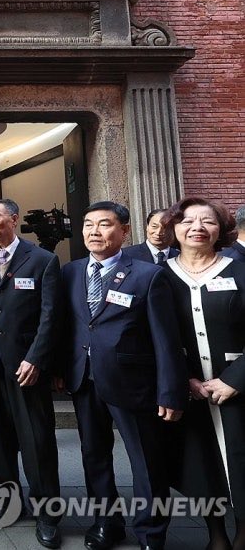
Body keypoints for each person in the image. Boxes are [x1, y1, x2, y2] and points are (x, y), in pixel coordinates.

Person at [59, 201, 187, 550]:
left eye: (104, 224)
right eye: (88, 224)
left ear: (124, 231)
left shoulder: (148, 275)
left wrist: (170, 391)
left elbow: (166, 340)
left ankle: (151, 533)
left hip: (133, 382)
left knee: (146, 460)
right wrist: (60, 369)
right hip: (84, 379)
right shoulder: (70, 272)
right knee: (94, 455)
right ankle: (107, 522)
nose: (94, 232)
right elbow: (68, 326)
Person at [0, 198, 62, 549]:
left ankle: (48, 512)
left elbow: (51, 317)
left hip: (26, 368)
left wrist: (36, 358)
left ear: (14, 219)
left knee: (37, 441)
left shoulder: (42, 260)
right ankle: (7, 499)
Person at [163, 198, 245, 550]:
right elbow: (153, 337)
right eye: (187, 221)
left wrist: (234, 380)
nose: (197, 227)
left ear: (220, 229)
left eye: (207, 221)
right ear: (174, 228)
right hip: (190, 390)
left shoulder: (239, 271)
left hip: (237, 389)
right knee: (200, 465)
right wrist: (183, 380)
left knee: (240, 461)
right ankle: (216, 537)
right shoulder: (159, 276)